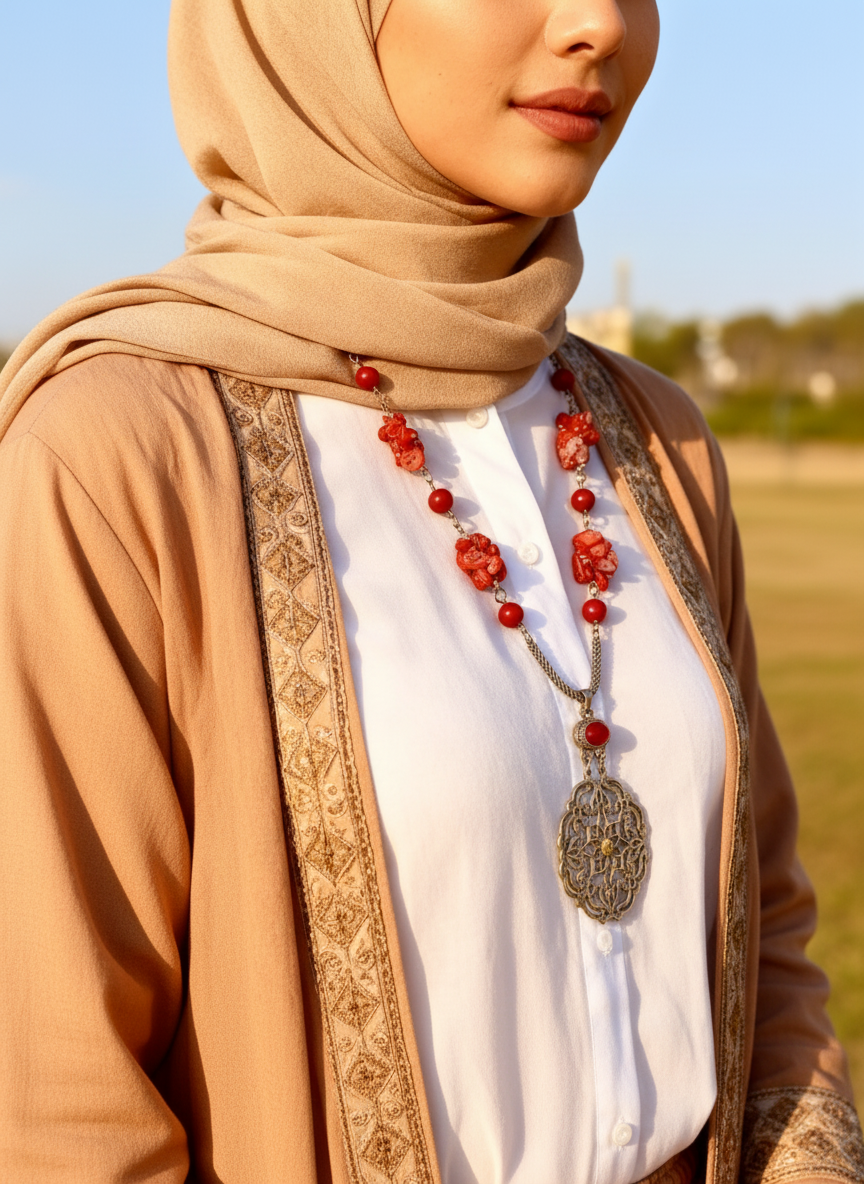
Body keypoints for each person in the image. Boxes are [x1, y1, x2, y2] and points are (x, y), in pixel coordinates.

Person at [0, 1, 861, 1182]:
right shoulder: (115, 456)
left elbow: (770, 931)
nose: (599, 26)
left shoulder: (656, 440)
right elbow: (62, 1103)